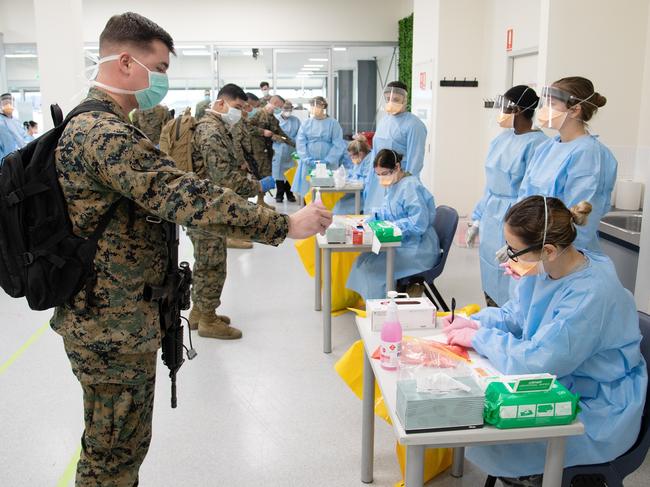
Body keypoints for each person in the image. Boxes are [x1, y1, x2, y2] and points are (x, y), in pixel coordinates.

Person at [53, 12, 331, 485]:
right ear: (124, 61)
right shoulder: (102, 134)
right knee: (111, 458)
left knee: (120, 448)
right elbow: (184, 194)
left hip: (116, 317)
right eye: (158, 68)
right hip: (109, 324)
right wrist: (281, 225)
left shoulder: (108, 125)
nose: (163, 79)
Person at [443, 196, 647, 486]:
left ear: (548, 250)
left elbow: (538, 361)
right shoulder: (550, 267)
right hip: (565, 377)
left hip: (598, 407)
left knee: (491, 431)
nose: (507, 257)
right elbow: (517, 315)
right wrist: (476, 322)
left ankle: (536, 476)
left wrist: (479, 338)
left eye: (513, 251)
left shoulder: (590, 295)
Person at [187, 83, 276, 339]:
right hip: (205, 210)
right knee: (213, 264)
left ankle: (198, 312)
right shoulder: (211, 132)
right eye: (237, 107)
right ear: (220, 104)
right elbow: (225, 178)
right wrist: (256, 185)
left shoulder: (215, 127)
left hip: (202, 207)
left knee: (204, 262)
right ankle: (209, 320)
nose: (240, 112)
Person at [467, 86, 547, 307]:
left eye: (505, 107)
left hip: (516, 216)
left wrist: (520, 241)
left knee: (512, 281)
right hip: (492, 216)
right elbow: (490, 186)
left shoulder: (538, 145)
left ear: (519, 110)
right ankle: (493, 316)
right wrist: (477, 219)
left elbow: (532, 195)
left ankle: (511, 324)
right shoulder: (501, 140)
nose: (500, 112)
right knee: (490, 275)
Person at [518, 77, 616, 253]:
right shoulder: (546, 148)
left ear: (575, 110)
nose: (544, 109)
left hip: (564, 254)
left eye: (552, 104)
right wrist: (519, 237)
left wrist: (549, 253)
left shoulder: (589, 155)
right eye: (545, 103)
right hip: (534, 243)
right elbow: (525, 195)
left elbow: (580, 221)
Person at [346, 149, 441, 300]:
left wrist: (393, 227)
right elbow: (388, 211)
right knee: (363, 260)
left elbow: (418, 223)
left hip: (417, 248)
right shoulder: (394, 185)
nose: (382, 178)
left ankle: (382, 311)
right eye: (378, 175)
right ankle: (376, 305)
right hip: (401, 242)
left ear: (397, 167)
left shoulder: (411, 186)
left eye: (385, 173)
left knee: (371, 269)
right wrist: (370, 221)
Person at [362, 81, 427, 213]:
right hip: (378, 181)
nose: (391, 102)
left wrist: (406, 186)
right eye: (388, 99)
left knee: (394, 220)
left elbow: (416, 160)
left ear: (405, 99)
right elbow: (375, 152)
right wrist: (369, 178)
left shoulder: (414, 125)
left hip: (399, 181)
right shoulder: (384, 121)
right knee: (376, 219)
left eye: (396, 99)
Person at [291, 96, 347, 197]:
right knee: (308, 190)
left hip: (328, 163)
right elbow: (300, 143)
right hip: (309, 162)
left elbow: (338, 143)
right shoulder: (306, 123)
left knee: (327, 190)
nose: (314, 108)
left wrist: (329, 159)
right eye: (312, 106)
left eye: (316, 105)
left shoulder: (333, 123)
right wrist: (306, 159)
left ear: (323, 106)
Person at [249, 94, 294, 209]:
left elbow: (280, 133)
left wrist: (291, 143)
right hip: (256, 151)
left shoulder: (273, 118)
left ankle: (261, 200)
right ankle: (256, 201)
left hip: (267, 152)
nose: (280, 109)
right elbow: (247, 127)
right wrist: (262, 131)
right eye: (279, 106)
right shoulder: (258, 113)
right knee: (258, 175)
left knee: (266, 175)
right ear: (274, 103)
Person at [333, 138, 372, 214]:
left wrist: (353, 181)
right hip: (356, 192)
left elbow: (366, 181)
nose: (351, 158)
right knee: (339, 202)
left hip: (363, 196)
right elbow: (354, 173)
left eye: (352, 156)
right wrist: (344, 176)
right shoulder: (360, 160)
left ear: (360, 154)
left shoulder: (369, 161)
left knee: (342, 207)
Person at [272, 100, 301, 203]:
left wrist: (294, 141)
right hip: (279, 148)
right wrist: (277, 138)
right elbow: (272, 133)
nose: (287, 111)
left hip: (292, 149)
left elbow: (300, 134)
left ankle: (289, 193)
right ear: (281, 109)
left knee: (291, 172)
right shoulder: (275, 119)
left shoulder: (296, 120)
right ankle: (279, 194)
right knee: (278, 172)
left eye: (289, 109)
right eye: (285, 109)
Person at [0, 93, 28, 162]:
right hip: (6, 161)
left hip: (20, 158)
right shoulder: (1, 122)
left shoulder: (16, 121)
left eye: (10, 103)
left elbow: (24, 137)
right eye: (5, 103)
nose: (8, 105)